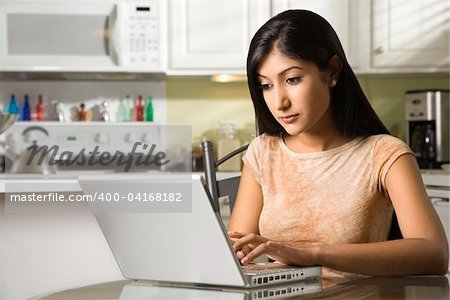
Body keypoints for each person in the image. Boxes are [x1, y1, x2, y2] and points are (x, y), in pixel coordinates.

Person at [227, 10, 448, 278]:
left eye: (292, 79)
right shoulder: (263, 152)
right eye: (265, 86)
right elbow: (236, 253)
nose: (278, 102)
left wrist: (312, 254)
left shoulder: (385, 154)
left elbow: (433, 253)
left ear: (331, 71)